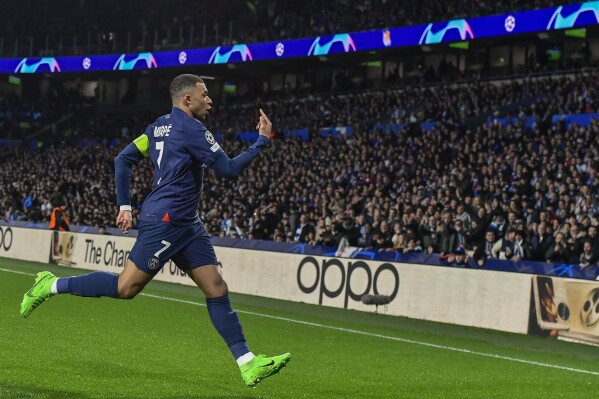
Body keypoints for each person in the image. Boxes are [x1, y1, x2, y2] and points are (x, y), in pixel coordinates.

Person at [19, 74, 290, 387]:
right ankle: (50, 285)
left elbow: (124, 159)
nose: (210, 100)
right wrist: (261, 142)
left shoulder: (156, 128)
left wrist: (124, 206)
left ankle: (248, 363)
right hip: (166, 220)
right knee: (125, 288)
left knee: (216, 289)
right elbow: (228, 170)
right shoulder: (192, 129)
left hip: (187, 223)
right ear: (187, 99)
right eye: (205, 94)